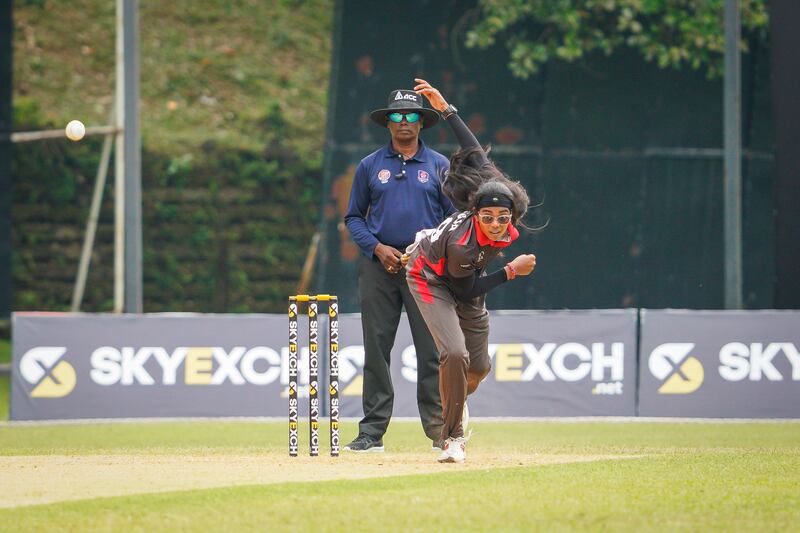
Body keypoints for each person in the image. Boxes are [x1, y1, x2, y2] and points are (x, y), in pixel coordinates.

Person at [403, 78, 538, 463]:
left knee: (477, 370)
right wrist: (511, 271)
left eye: (502, 218)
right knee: (455, 354)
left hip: (468, 278)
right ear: (476, 214)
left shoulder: (500, 197)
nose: (496, 225)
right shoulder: (464, 243)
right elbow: (463, 291)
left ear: (512, 214)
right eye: (488, 218)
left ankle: (456, 406)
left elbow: (473, 150)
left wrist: (447, 109)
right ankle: (452, 439)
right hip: (431, 277)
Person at [343, 88, 456, 452]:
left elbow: (454, 218)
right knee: (376, 348)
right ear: (387, 123)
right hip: (379, 267)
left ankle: (440, 431)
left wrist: (426, 248)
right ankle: (371, 433)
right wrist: (377, 248)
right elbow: (353, 218)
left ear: (421, 122)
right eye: (397, 117)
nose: (404, 123)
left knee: (431, 350)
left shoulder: (439, 166)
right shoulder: (370, 165)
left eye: (411, 116)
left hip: (425, 269)